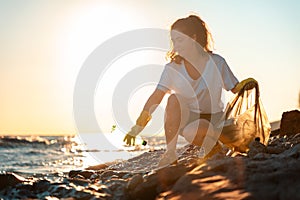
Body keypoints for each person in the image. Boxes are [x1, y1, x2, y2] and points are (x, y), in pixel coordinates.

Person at [123, 14, 256, 167]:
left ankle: (214, 147)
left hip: (214, 118)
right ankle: (170, 153)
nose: (176, 46)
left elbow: (234, 88)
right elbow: (157, 96)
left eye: (180, 40)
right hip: (188, 119)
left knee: (201, 129)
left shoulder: (217, 62)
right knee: (173, 100)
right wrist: (139, 125)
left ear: (193, 38)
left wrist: (245, 85)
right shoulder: (172, 68)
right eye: (174, 41)